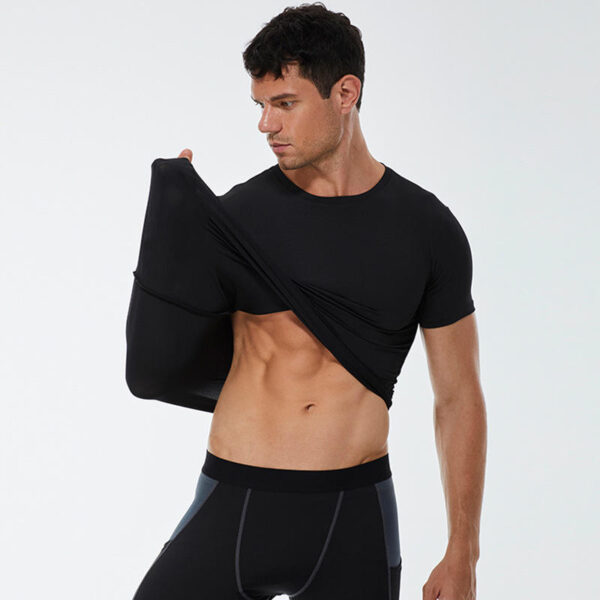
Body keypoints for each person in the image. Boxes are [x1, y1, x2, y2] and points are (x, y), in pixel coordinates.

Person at [125, 4, 486, 600]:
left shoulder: (427, 230)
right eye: (260, 105)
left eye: (285, 103)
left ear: (345, 93)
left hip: (354, 514)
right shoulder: (237, 219)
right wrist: (177, 226)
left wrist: (463, 551)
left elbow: (459, 396)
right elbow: (163, 345)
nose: (266, 124)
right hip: (235, 502)